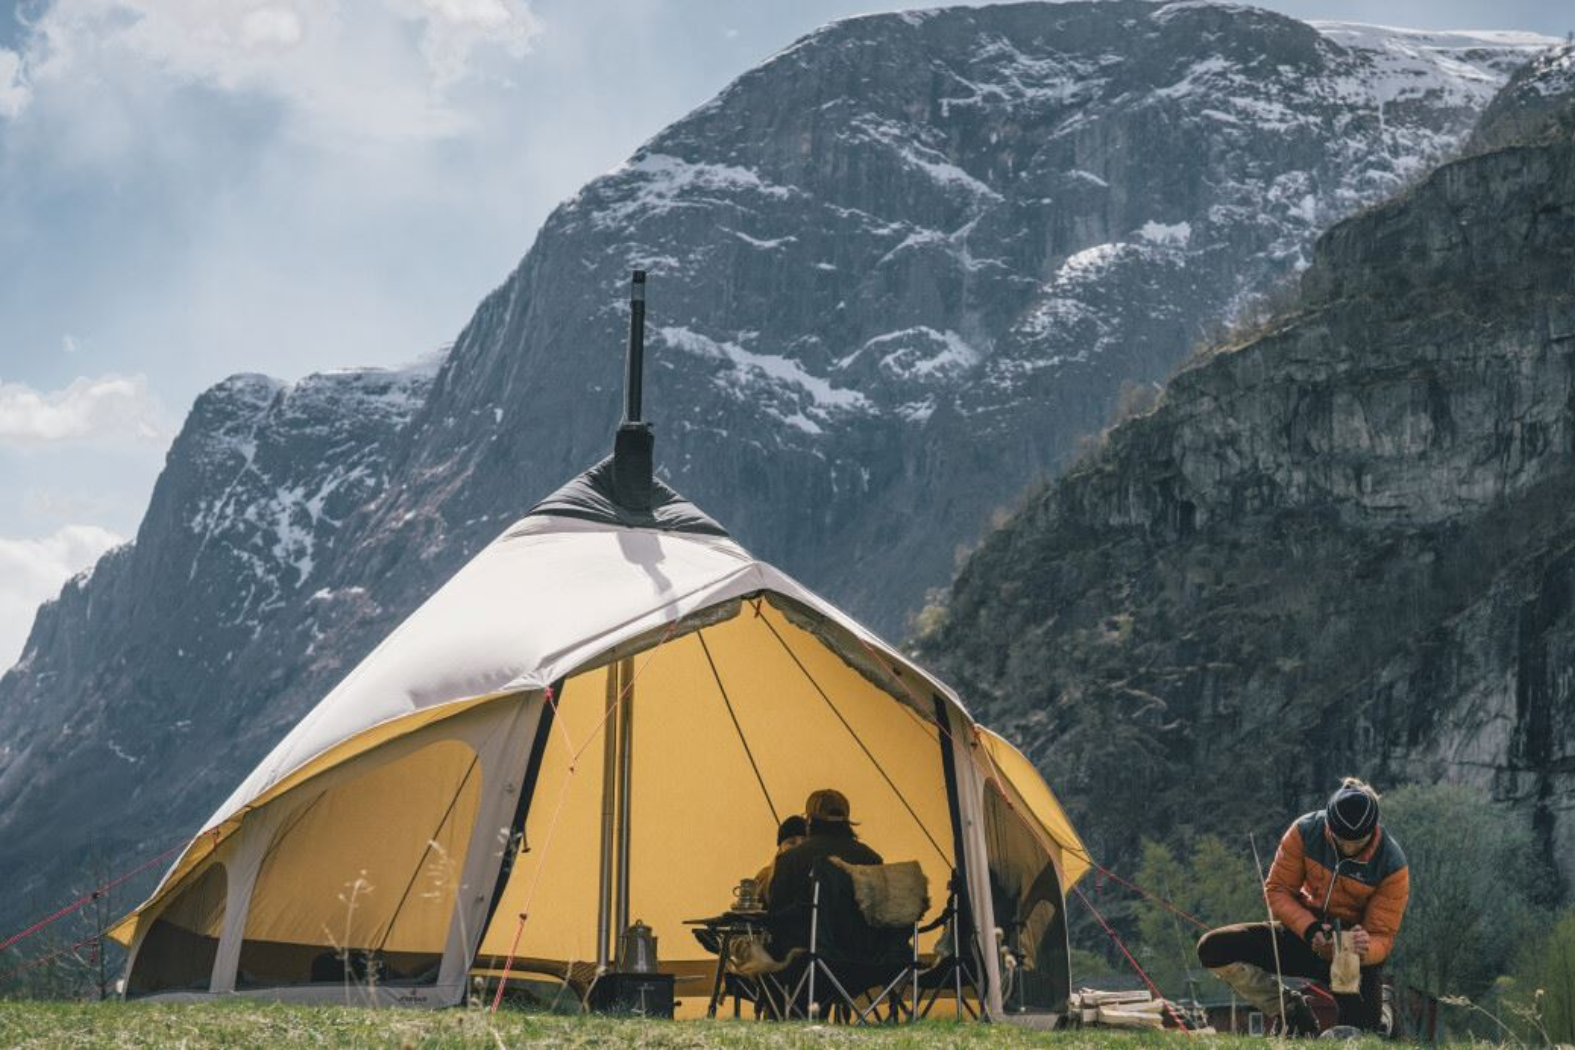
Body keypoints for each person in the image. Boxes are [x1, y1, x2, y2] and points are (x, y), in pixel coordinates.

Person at [1196, 778, 1409, 1036]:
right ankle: (1289, 1008)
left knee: (1358, 1032)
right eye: (1341, 841)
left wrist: (1363, 948)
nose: (1349, 848)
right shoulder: (1305, 831)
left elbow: (1383, 936)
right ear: (1329, 826)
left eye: (1357, 842)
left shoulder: (1392, 864)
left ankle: (1380, 1006)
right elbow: (1277, 890)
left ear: (1373, 830)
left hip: (1350, 951)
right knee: (1213, 948)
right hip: (1304, 932)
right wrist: (1310, 929)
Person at [766, 789, 882, 955]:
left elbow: (777, 919)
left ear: (809, 819)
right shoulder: (871, 858)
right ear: (847, 819)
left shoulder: (792, 859)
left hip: (806, 962)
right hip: (865, 961)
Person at [754, 815, 807, 907]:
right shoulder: (764, 876)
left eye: (805, 842)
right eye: (791, 842)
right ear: (780, 847)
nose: (799, 847)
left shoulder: (818, 876)